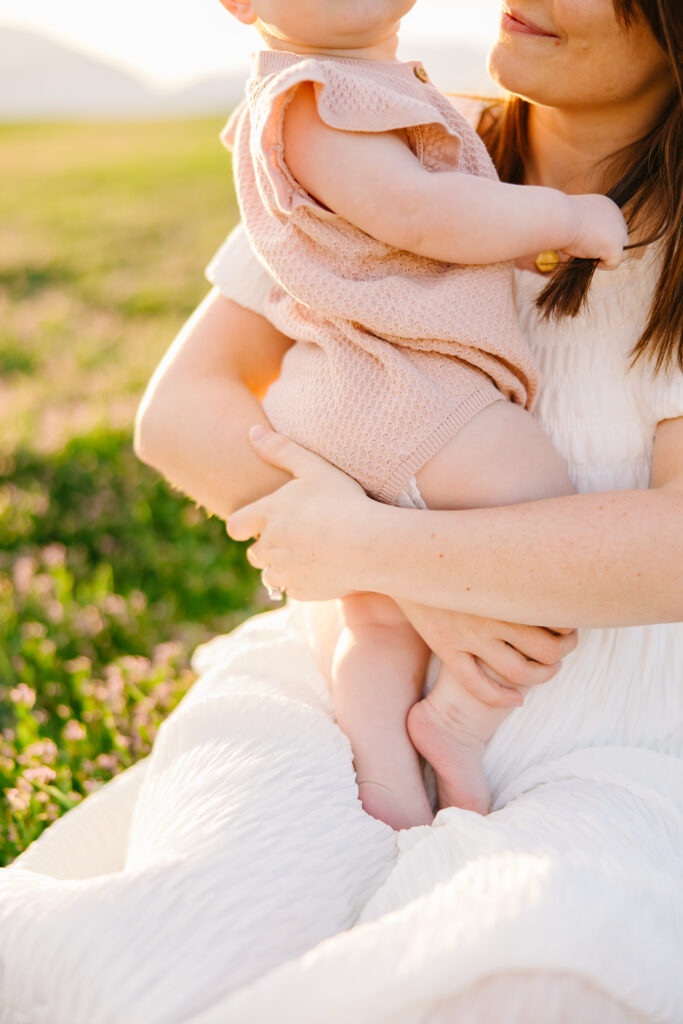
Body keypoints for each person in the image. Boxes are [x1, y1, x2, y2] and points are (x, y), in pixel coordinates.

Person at [0, 2, 680, 1022]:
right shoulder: (394, 142)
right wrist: (396, 573)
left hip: (622, 736)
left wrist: (391, 547)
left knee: (518, 959)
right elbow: (183, 411)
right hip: (339, 683)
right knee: (186, 938)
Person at [217, 0, 628, 826]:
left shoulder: (344, 89)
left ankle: (384, 779)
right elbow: (418, 214)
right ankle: (455, 720)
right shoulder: (319, 95)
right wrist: (563, 217)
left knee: (374, 619)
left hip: (349, 400)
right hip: (397, 389)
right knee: (540, 518)